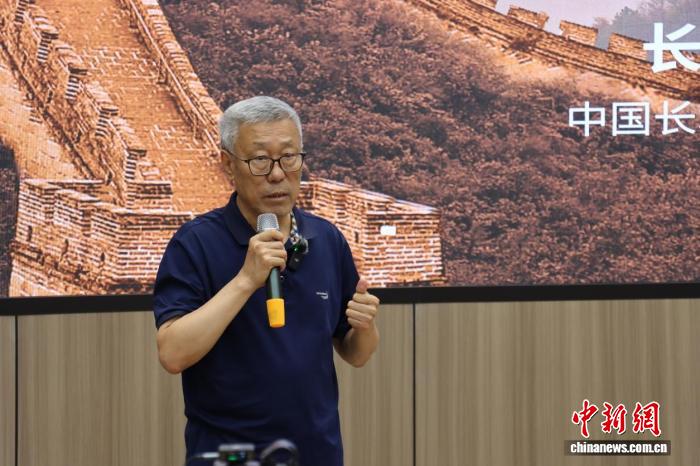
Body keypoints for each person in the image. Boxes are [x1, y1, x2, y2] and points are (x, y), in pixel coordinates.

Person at [152, 96, 380, 466]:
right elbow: (173, 353)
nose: (277, 174)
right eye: (260, 160)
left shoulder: (326, 239)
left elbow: (356, 353)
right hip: (230, 456)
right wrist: (246, 280)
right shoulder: (196, 243)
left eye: (289, 158)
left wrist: (365, 326)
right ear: (228, 163)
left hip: (317, 453)